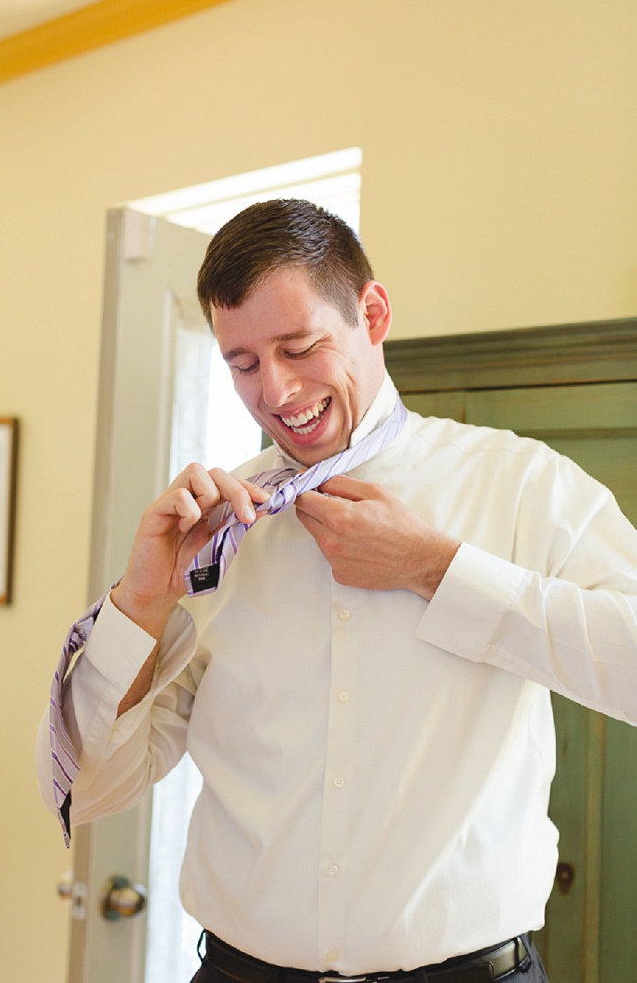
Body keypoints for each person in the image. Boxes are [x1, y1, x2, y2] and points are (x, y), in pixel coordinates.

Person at [38, 199, 637, 983]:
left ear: (373, 312)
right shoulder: (212, 531)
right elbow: (93, 789)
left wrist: (436, 570)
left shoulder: (520, 484)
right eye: (244, 363)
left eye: (299, 346)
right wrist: (142, 602)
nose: (277, 391)